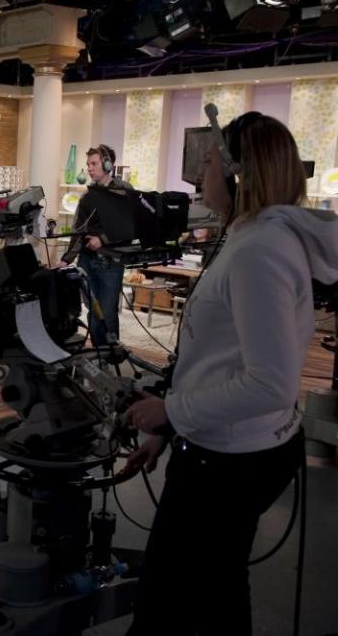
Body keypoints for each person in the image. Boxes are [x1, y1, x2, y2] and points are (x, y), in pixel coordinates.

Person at [123, 112, 338, 635]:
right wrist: (169, 429)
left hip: (228, 467)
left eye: (211, 162)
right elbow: (219, 360)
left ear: (239, 174)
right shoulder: (254, 237)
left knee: (174, 600)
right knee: (214, 593)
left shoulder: (260, 250)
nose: (201, 177)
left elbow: (269, 384)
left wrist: (171, 409)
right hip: (226, 451)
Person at [58, 144, 133, 345]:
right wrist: (66, 260)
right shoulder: (87, 196)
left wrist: (103, 239)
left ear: (108, 164)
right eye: (88, 164)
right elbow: (78, 229)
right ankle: (98, 356)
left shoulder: (124, 192)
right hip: (87, 261)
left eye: (94, 163)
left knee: (107, 313)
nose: (89, 169)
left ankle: (110, 356)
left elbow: (130, 226)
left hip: (110, 263)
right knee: (93, 312)